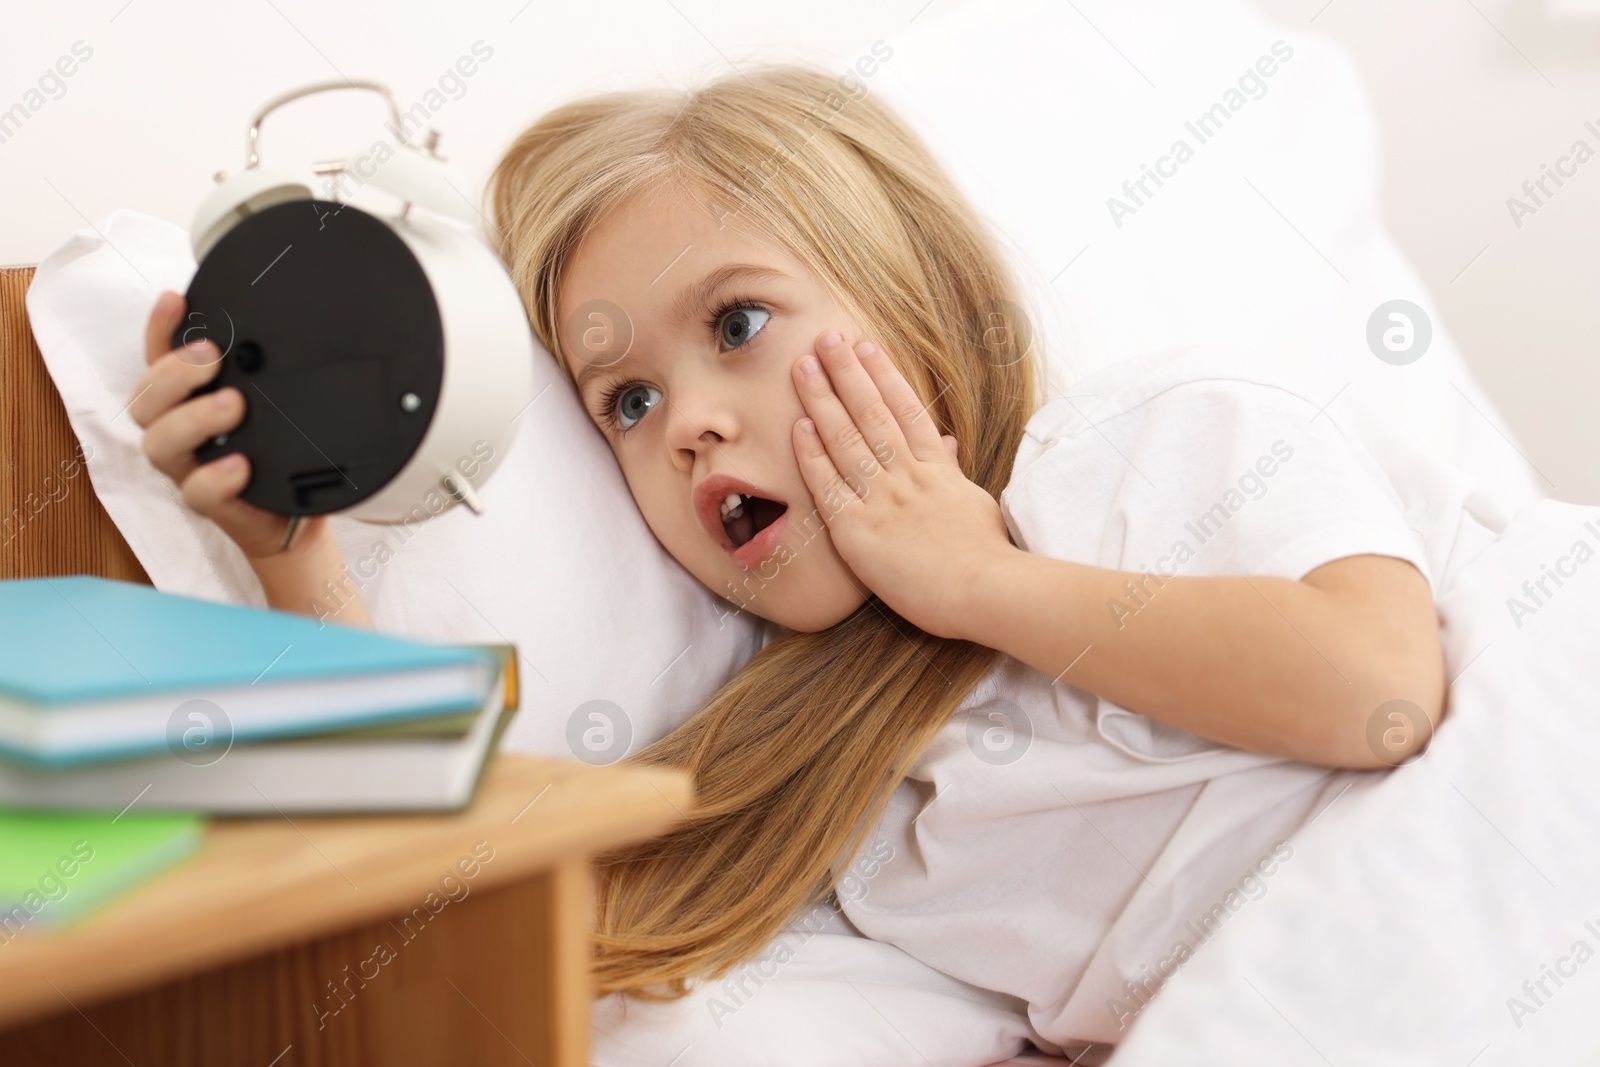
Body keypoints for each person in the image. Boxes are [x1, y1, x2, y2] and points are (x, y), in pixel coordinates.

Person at [129, 64, 1452, 1054]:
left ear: (918, 291)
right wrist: (293, 558)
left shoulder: (1144, 446)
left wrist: (981, 579)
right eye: (627, 404)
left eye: (740, 321)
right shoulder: (820, 792)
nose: (691, 420)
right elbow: (462, 898)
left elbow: (1379, 689)